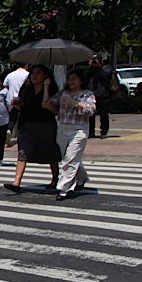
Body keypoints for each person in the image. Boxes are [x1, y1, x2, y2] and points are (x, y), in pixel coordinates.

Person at [3, 65, 61, 193]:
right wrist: (17, 103)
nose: (34, 76)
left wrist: (46, 87)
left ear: (46, 76)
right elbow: (23, 106)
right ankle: (17, 182)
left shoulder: (52, 91)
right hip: (28, 125)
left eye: (38, 73)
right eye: (33, 73)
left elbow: (54, 110)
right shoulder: (27, 89)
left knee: (50, 152)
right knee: (23, 151)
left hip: (46, 125)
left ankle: (55, 179)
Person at [45, 68, 96, 201]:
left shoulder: (87, 94)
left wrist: (75, 103)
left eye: (74, 78)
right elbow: (48, 103)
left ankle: (63, 188)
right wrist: (46, 86)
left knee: (70, 159)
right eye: (69, 79)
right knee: (68, 157)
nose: (71, 81)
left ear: (81, 80)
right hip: (62, 128)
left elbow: (91, 110)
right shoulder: (63, 93)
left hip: (79, 130)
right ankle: (82, 177)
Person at [3, 63, 29, 146]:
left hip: (10, 100)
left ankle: (8, 130)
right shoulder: (27, 74)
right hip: (22, 100)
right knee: (23, 118)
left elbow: (5, 86)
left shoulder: (10, 75)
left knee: (13, 118)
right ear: (26, 65)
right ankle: (22, 136)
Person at [86, 55, 111, 138]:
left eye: (96, 60)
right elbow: (85, 76)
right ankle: (90, 132)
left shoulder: (106, 68)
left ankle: (104, 131)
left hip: (103, 94)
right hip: (91, 94)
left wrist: (98, 67)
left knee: (103, 114)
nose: (94, 62)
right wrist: (90, 67)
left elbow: (105, 77)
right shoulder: (89, 70)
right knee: (90, 114)